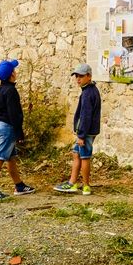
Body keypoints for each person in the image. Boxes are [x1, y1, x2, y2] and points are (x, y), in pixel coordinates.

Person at [0, 59, 36, 201]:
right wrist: (19, 132)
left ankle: (19, 185)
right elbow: (14, 113)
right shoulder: (11, 91)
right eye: (14, 70)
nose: (16, 72)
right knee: (0, 157)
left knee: (10, 158)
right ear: (11, 75)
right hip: (8, 127)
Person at [53, 63, 101, 196]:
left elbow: (85, 116)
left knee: (85, 157)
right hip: (86, 131)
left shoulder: (87, 94)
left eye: (81, 76)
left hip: (86, 132)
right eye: (76, 76)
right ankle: (72, 182)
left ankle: (86, 186)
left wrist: (81, 135)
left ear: (89, 76)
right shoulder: (90, 90)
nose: (78, 79)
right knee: (76, 153)